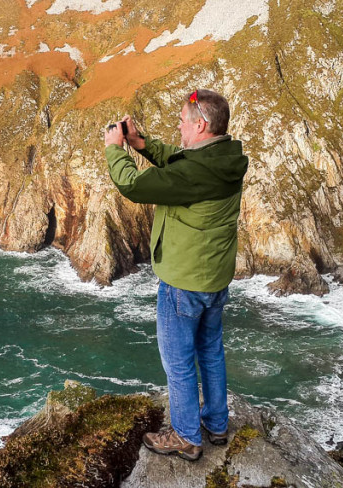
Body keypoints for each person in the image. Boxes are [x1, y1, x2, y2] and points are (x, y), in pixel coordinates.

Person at [103, 89, 249, 461]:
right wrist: (142, 143)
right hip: (214, 280)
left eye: (183, 121)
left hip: (184, 283)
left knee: (178, 359)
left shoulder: (194, 175)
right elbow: (180, 159)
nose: (179, 126)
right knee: (210, 351)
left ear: (200, 124)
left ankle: (186, 436)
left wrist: (116, 148)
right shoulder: (226, 157)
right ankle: (216, 423)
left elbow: (133, 186)